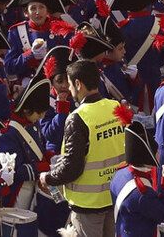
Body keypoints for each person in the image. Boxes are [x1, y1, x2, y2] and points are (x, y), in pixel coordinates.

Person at [41, 60, 124, 237]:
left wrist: (48, 178)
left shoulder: (78, 118)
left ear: (78, 84)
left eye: (70, 84)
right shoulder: (115, 107)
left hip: (88, 204)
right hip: (115, 195)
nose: (69, 90)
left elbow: (72, 167)